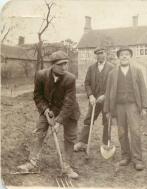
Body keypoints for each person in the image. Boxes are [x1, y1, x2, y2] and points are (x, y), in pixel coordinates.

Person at [17, 51, 80, 179]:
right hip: (49, 110)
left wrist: (59, 121)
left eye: (66, 64)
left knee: (70, 138)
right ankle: (32, 162)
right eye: (60, 64)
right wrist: (45, 110)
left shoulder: (70, 78)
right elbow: (38, 96)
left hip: (69, 110)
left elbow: (69, 103)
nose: (64, 67)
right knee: (39, 132)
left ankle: (66, 167)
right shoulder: (41, 75)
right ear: (52, 65)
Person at [104, 47, 147, 171]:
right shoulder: (112, 73)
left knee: (135, 132)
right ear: (118, 57)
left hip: (133, 105)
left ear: (130, 57)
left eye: (127, 54)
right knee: (122, 132)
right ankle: (125, 156)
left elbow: (143, 89)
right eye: (122, 55)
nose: (124, 56)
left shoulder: (137, 71)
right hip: (118, 107)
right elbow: (108, 92)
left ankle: (137, 159)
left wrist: (144, 106)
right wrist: (107, 110)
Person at [74, 47, 114, 152]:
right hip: (94, 100)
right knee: (88, 120)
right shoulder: (91, 68)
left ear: (105, 54)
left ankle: (106, 144)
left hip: (107, 101)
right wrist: (90, 95)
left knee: (107, 121)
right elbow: (87, 83)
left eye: (102, 53)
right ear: (96, 55)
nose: (100, 55)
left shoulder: (112, 68)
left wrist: (105, 95)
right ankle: (82, 142)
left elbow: (114, 86)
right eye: (98, 54)